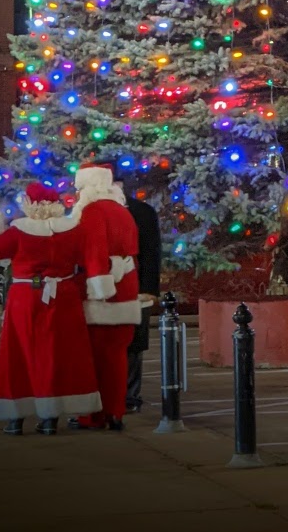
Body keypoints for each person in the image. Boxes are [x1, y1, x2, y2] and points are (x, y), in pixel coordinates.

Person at [0, 181, 101, 435]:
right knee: (58, 355)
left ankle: (15, 417)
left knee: (19, 353)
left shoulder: (18, 231)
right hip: (64, 297)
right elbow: (88, 259)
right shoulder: (72, 230)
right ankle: (50, 417)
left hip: (26, 296)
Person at [71, 162, 140, 430]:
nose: (76, 194)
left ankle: (93, 415)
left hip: (104, 293)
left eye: (79, 188)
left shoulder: (92, 211)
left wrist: (99, 289)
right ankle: (116, 411)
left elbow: (95, 252)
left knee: (94, 359)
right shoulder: (122, 211)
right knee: (117, 357)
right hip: (126, 290)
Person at [123, 175, 162, 413]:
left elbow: (151, 252)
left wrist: (148, 289)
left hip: (137, 288)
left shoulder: (142, 212)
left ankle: (130, 396)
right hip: (102, 288)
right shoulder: (87, 210)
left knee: (134, 344)